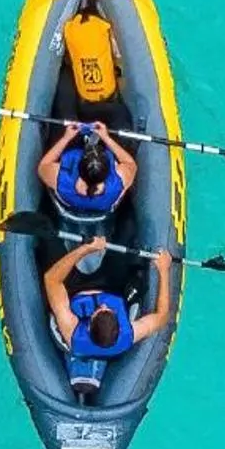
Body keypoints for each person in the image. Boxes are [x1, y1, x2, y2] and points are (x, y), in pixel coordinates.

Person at [43, 233, 174, 403]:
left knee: (50, 245)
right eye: (107, 310)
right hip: (110, 287)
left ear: (88, 326)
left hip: (74, 288)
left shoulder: (72, 331)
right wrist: (164, 271)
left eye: (101, 310)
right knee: (127, 235)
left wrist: (86, 249)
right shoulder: (128, 335)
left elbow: (51, 279)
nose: (104, 306)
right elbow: (162, 317)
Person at [37, 119, 136, 225]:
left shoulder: (61, 180)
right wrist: (106, 138)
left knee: (65, 113)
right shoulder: (119, 180)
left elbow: (43, 166)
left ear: (78, 167)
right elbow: (130, 163)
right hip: (102, 206)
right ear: (110, 169)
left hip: (72, 202)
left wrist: (66, 138)